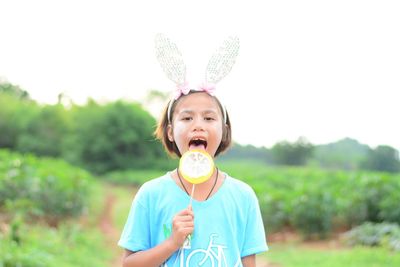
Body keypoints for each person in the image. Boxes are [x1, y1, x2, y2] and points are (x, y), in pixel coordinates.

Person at [118, 35, 268, 267]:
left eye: (209, 118)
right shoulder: (151, 194)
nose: (198, 125)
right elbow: (129, 264)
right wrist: (172, 243)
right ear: (170, 132)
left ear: (224, 131)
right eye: (187, 117)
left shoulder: (243, 196)